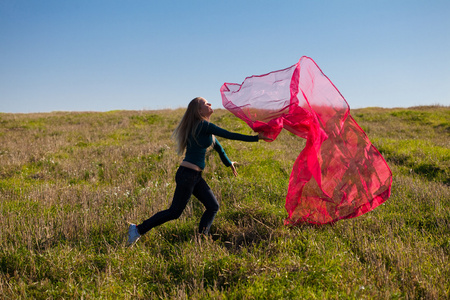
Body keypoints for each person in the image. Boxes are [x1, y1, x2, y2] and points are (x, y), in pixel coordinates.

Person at [127, 97, 271, 245]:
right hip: (187, 176)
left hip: (194, 177)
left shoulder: (204, 128)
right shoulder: (202, 125)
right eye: (206, 103)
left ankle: (202, 239)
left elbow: (218, 147)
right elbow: (229, 134)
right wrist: (256, 138)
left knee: (213, 206)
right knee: (174, 212)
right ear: (199, 110)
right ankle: (137, 230)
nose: (210, 104)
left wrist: (229, 163)